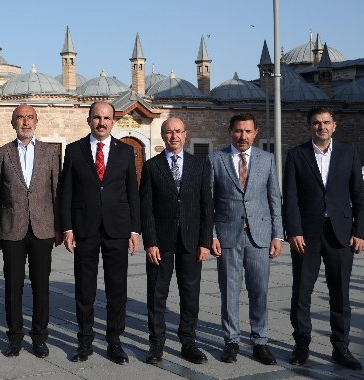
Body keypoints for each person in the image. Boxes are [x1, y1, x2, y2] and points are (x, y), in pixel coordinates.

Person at [283, 107, 364, 370]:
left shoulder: (348, 153)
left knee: (340, 292)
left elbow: (359, 195)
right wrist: (293, 231)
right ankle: (301, 345)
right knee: (302, 292)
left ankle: (341, 347)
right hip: (306, 235)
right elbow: (290, 198)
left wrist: (360, 231)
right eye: (317, 123)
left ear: (334, 125)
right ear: (310, 126)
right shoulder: (296, 155)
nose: (322, 127)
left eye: (326, 122)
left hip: (340, 233)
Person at [58, 102, 140, 365]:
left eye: (106, 118)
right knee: (85, 288)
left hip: (117, 228)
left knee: (117, 289)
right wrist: (67, 227)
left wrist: (134, 229)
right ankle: (84, 341)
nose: (101, 122)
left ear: (113, 122)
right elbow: (66, 191)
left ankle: (115, 342)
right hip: (85, 227)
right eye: (97, 117)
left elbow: (132, 192)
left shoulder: (126, 151)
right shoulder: (74, 150)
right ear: (89, 120)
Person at [207, 113, 283, 365]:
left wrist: (277, 234)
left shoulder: (266, 159)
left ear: (256, 132)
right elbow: (209, 201)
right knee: (229, 291)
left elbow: (274, 199)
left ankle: (260, 341)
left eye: (248, 131)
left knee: (259, 290)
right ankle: (231, 341)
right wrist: (212, 235)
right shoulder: (215, 159)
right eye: (238, 131)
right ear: (230, 131)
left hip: (259, 236)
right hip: (227, 235)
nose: (243, 136)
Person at [140, 117, 213, 365]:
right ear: (163, 136)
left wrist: (205, 242)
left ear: (185, 134)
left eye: (178, 131)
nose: (174, 136)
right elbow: (146, 208)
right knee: (157, 294)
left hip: (191, 241)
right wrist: (150, 242)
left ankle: (188, 342)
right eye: (169, 132)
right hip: (161, 242)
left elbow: (207, 206)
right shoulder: (151, 166)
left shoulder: (199, 165)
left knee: (190, 294)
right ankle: (156, 344)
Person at [0, 104, 61, 358]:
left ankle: (39, 338)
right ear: (13, 122)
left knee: (41, 287)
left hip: (43, 229)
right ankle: (14, 338)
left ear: (36, 121)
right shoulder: (2, 153)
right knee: (13, 287)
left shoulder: (50, 152)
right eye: (20, 118)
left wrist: (59, 227)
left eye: (30, 117)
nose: (25, 122)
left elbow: (57, 191)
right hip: (12, 229)